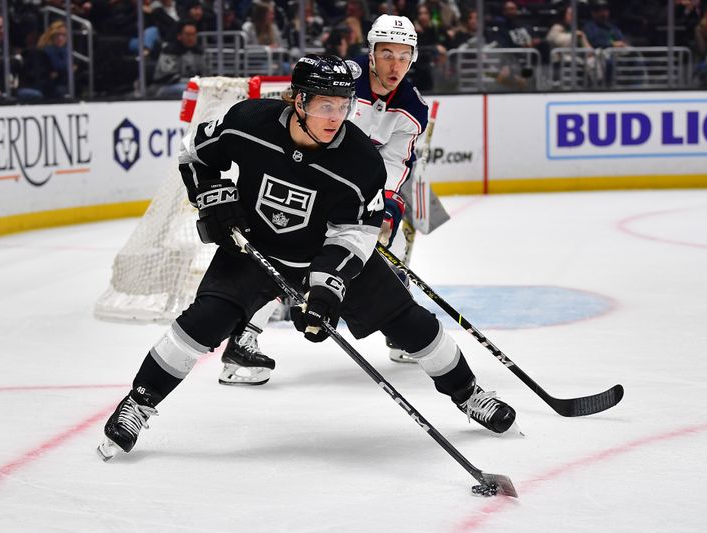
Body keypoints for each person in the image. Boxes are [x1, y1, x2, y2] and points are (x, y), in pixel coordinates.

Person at [97, 54, 517, 460]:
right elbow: (194, 153)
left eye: (344, 105)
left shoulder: (362, 162)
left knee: (416, 326)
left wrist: (325, 290)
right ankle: (138, 403)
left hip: (325, 253)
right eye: (325, 105)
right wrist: (211, 195)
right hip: (256, 249)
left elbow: (355, 233)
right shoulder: (248, 122)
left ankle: (468, 394)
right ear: (299, 101)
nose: (336, 117)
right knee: (200, 324)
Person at [219, 14, 434, 388]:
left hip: (354, 197)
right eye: (386, 54)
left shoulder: (413, 107)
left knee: (395, 244)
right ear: (371, 53)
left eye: (403, 56)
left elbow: (395, 161)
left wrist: (384, 208)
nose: (394, 64)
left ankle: (399, 330)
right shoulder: (341, 79)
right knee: (288, 259)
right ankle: (242, 339)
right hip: (307, 186)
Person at [151, 20, 206, 98]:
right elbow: (168, 77)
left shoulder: (200, 52)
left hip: (194, 84)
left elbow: (205, 74)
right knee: (188, 89)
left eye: (193, 34)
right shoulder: (169, 50)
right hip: (164, 86)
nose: (191, 38)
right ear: (179, 36)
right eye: (187, 35)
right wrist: (193, 82)